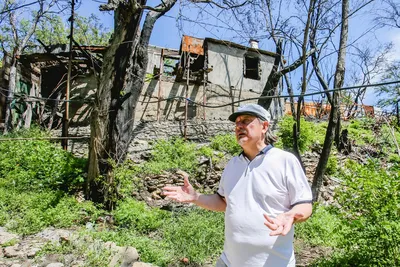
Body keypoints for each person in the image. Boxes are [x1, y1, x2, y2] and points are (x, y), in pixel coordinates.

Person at [163, 103, 313, 267]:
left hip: (274, 263)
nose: (239, 126)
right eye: (237, 123)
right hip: (229, 261)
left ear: (264, 126)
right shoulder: (232, 164)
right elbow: (223, 202)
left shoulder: (285, 161)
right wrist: (195, 197)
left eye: (246, 121)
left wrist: (290, 216)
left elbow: (304, 205)